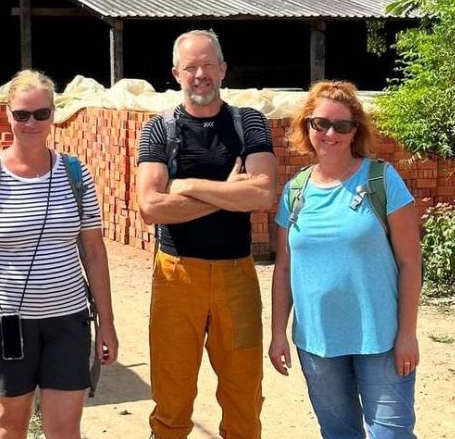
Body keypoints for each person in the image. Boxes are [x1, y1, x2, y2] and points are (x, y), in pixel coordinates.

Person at [0, 69, 118, 439]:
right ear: (7, 115)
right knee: (10, 428)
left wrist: (106, 322)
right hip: (10, 323)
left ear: (53, 115)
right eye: (22, 114)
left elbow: (94, 251)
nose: (31, 123)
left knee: (64, 431)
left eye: (41, 114)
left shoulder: (76, 175)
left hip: (68, 321)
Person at [136, 29, 277, 439]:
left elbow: (264, 192)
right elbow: (150, 207)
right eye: (192, 67)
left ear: (223, 70)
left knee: (244, 396)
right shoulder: (159, 129)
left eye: (208, 66)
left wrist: (188, 186)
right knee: (172, 396)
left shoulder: (248, 122)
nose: (201, 75)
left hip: (238, 277)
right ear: (176, 73)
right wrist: (232, 193)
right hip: (177, 276)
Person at [268, 80, 422, 439]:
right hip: (318, 343)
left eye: (342, 125)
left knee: (392, 435)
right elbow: (284, 269)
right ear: (307, 126)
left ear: (356, 132)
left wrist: (408, 334)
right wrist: (278, 333)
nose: (330, 133)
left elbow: (410, 263)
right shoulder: (295, 192)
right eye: (320, 123)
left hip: (381, 339)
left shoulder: (383, 180)